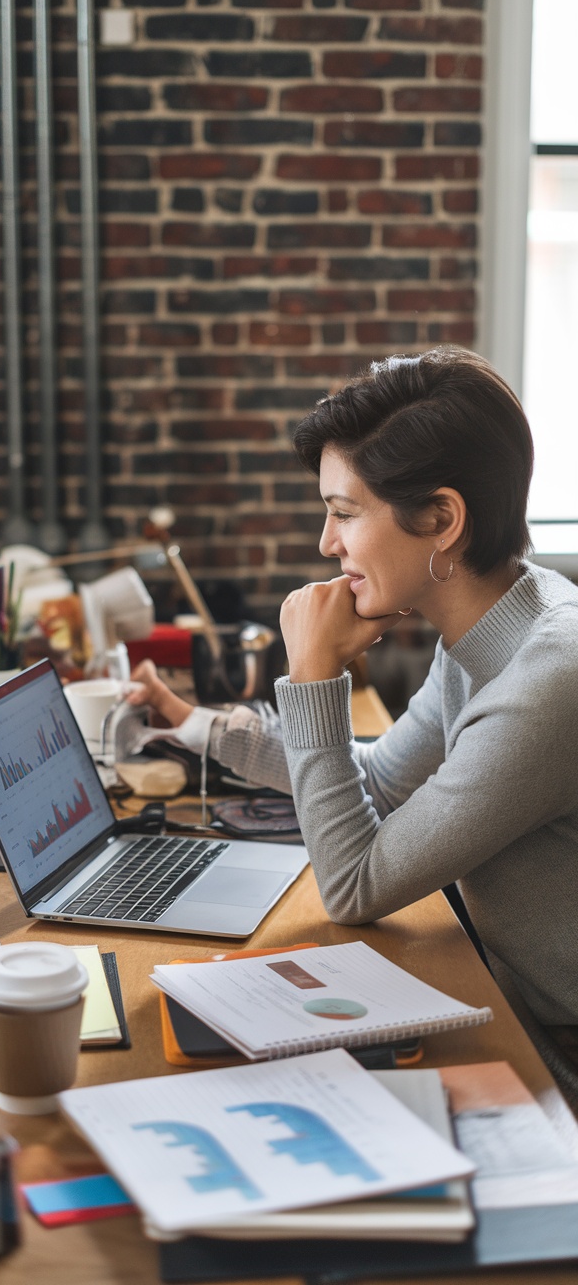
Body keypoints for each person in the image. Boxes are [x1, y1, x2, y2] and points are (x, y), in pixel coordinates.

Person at [128, 347, 578, 1060]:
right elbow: (377, 781)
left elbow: (354, 882)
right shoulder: (494, 626)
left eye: (344, 513)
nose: (326, 542)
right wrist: (199, 727)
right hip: (501, 990)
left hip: (555, 1049)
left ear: (440, 518)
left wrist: (311, 673)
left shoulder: (548, 681)